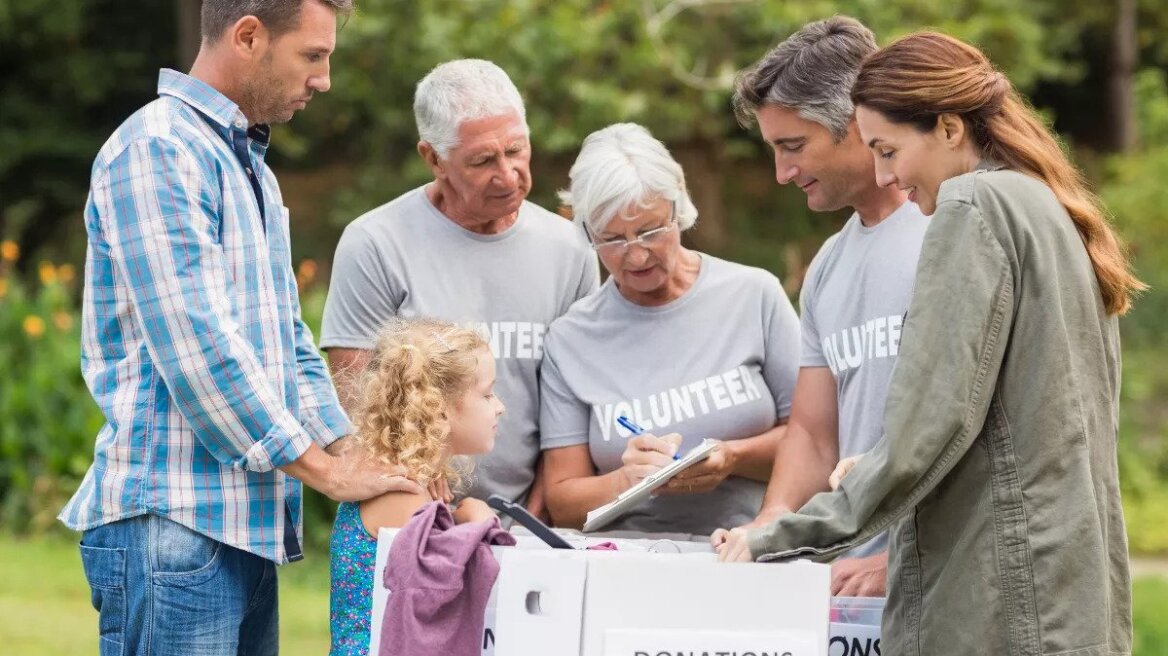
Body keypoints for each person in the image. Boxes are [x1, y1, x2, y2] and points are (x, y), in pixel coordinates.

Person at [716, 31, 1140, 655]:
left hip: (1000, 600)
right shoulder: (1042, 205)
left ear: (947, 129)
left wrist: (781, 537)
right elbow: (1017, 422)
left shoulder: (970, 206)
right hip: (1066, 590)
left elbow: (930, 425)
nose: (888, 174)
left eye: (888, 150)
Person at [58, 2, 422, 655]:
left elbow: (286, 339)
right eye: (312, 56)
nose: (325, 79)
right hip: (171, 531)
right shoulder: (158, 149)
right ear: (249, 36)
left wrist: (348, 450)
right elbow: (199, 348)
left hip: (243, 530)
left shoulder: (248, 164)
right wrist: (323, 471)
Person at [320, 59, 599, 519]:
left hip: (532, 518)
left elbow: (572, 397)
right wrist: (424, 511)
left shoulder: (570, 249)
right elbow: (356, 404)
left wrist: (541, 504)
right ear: (434, 158)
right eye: (483, 160)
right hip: (408, 515)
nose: (508, 175)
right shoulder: (376, 243)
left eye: (517, 150)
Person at [710, 16, 929, 597]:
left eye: (793, 146)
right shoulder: (828, 267)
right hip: (850, 578)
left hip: (939, 572)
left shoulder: (948, 230)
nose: (782, 173)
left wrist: (905, 562)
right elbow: (812, 432)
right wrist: (768, 525)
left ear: (855, 124)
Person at [538, 123, 800, 537]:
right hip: (629, 563)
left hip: (749, 552)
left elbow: (815, 440)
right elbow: (563, 502)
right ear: (586, 232)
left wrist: (732, 456)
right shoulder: (570, 339)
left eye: (651, 230)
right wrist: (628, 480)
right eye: (612, 239)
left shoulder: (753, 294)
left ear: (678, 207)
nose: (636, 255)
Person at [329, 318, 504, 656]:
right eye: (487, 394)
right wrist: (477, 520)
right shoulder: (403, 494)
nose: (499, 406)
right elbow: (440, 594)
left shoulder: (406, 482)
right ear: (439, 411)